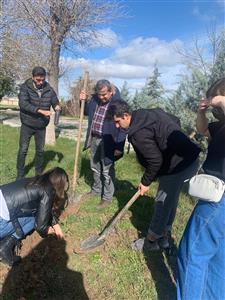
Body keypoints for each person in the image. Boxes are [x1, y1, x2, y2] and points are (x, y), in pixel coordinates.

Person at [107, 100, 201, 250]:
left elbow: (155, 161)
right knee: (171, 198)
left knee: (161, 202)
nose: (117, 126)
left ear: (125, 115)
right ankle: (164, 235)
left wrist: (145, 182)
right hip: (190, 158)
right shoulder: (145, 113)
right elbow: (175, 120)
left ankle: (151, 241)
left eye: (117, 122)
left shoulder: (138, 133)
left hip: (177, 165)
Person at [176, 78, 225, 300]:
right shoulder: (221, 126)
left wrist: (219, 99)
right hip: (217, 199)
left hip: (218, 202)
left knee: (191, 255)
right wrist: (202, 112)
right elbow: (202, 129)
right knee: (217, 259)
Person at [0, 167, 69, 267]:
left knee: (35, 214)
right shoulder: (47, 191)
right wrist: (46, 231)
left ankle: (4, 243)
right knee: (34, 219)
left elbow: (44, 207)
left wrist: (55, 224)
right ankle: (4, 249)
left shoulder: (34, 181)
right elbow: (40, 225)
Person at [80, 79, 126, 209]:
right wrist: (82, 100)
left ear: (111, 92)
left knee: (106, 170)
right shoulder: (95, 99)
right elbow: (86, 111)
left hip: (109, 141)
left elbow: (123, 128)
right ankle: (96, 191)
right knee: (94, 167)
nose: (102, 97)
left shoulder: (118, 104)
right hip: (95, 138)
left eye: (104, 94)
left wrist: (119, 147)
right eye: (99, 94)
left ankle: (107, 197)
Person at [16, 66, 60, 179]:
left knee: (40, 151)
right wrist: (41, 111)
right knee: (23, 149)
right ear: (33, 77)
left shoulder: (49, 89)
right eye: (38, 80)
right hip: (27, 124)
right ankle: (20, 175)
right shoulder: (25, 87)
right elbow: (23, 104)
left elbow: (55, 101)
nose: (40, 82)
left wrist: (57, 106)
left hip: (41, 126)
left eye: (42, 80)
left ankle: (38, 175)